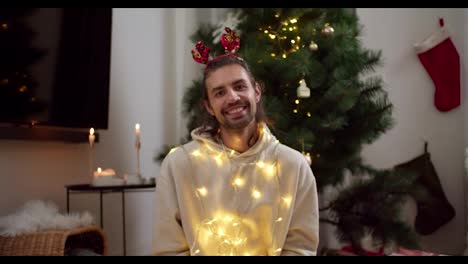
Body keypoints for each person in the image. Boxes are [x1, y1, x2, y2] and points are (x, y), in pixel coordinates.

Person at [153, 28, 319, 256]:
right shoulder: (178, 165)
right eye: (220, 93)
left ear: (256, 91)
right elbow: (168, 249)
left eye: (240, 86)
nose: (233, 98)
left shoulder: (293, 166)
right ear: (209, 107)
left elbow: (300, 249)